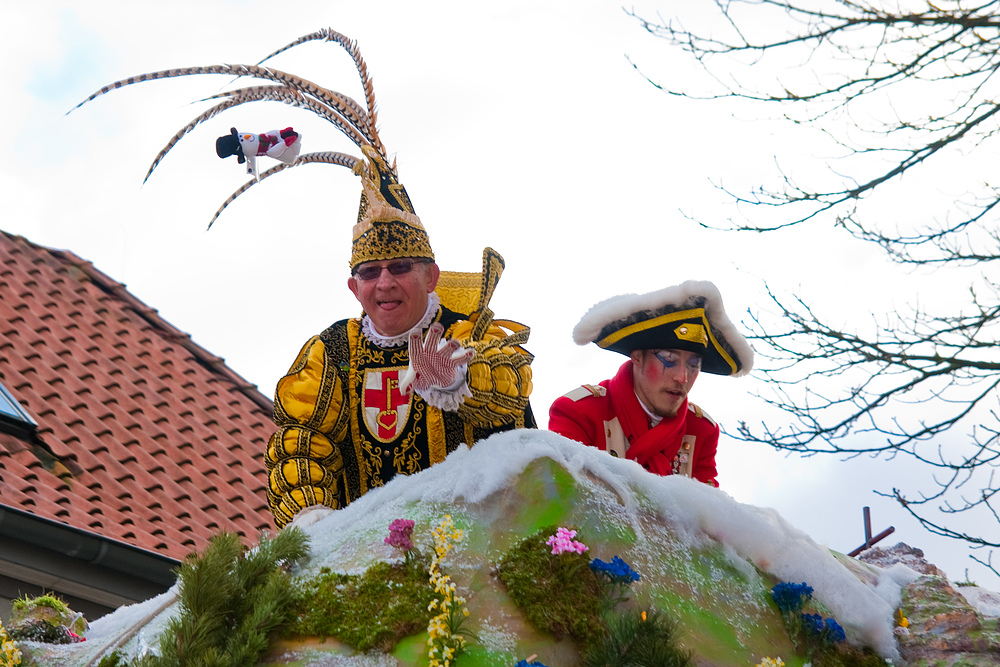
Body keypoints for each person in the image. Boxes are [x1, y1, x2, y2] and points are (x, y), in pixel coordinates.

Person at [265, 151, 536, 529]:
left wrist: (460, 378)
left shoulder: (467, 332)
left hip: (476, 547)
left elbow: (512, 393)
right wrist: (311, 516)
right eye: (370, 272)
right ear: (354, 288)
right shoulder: (332, 351)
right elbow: (302, 442)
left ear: (431, 278)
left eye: (400, 268)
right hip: (365, 558)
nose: (385, 283)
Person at [548, 281, 752, 487]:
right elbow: (561, 498)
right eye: (669, 359)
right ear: (637, 357)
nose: (683, 377)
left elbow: (709, 514)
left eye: (693, 364)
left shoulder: (701, 430)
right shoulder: (580, 411)